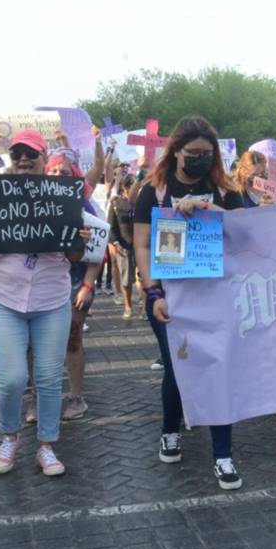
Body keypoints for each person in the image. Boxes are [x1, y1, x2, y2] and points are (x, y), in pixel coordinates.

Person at [0, 129, 80, 476]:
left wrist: (79, 235)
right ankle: (10, 436)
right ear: (10, 158)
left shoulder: (64, 196)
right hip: (4, 298)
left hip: (51, 298)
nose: (24, 159)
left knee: (49, 377)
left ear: (43, 158)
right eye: (17, 153)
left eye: (31, 154)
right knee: (11, 379)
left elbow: (75, 254)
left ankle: (47, 445)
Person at [133, 117, 246, 490]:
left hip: (216, 299)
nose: (198, 159)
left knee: (219, 369)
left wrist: (214, 212)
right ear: (176, 151)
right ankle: (171, 430)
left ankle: (223, 455)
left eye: (205, 154)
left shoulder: (225, 190)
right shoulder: (155, 190)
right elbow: (142, 244)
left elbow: (248, 235)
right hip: (170, 298)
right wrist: (152, 293)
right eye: (192, 153)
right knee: (176, 368)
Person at [45, 146, 105, 422]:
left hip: (75, 282)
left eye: (64, 172)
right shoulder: (34, 203)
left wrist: (88, 285)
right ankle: (38, 398)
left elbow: (96, 250)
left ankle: (76, 397)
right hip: (42, 282)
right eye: (53, 171)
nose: (58, 175)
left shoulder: (84, 205)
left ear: (74, 176)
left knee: (72, 339)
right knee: (36, 344)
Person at [107, 174, 139, 319]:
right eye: (132, 184)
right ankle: (128, 306)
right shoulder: (116, 204)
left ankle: (144, 307)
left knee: (144, 278)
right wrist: (116, 243)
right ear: (125, 187)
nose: (136, 187)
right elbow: (110, 227)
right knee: (126, 279)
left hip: (141, 246)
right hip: (124, 247)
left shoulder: (142, 202)